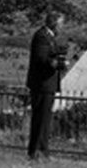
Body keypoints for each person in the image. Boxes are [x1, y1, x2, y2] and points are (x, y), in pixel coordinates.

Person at [26, 10, 68, 160]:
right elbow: (42, 59)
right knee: (40, 119)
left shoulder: (49, 37)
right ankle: (36, 151)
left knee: (45, 119)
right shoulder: (41, 36)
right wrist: (59, 64)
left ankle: (42, 150)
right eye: (61, 24)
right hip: (42, 84)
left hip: (48, 84)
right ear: (54, 24)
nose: (62, 27)